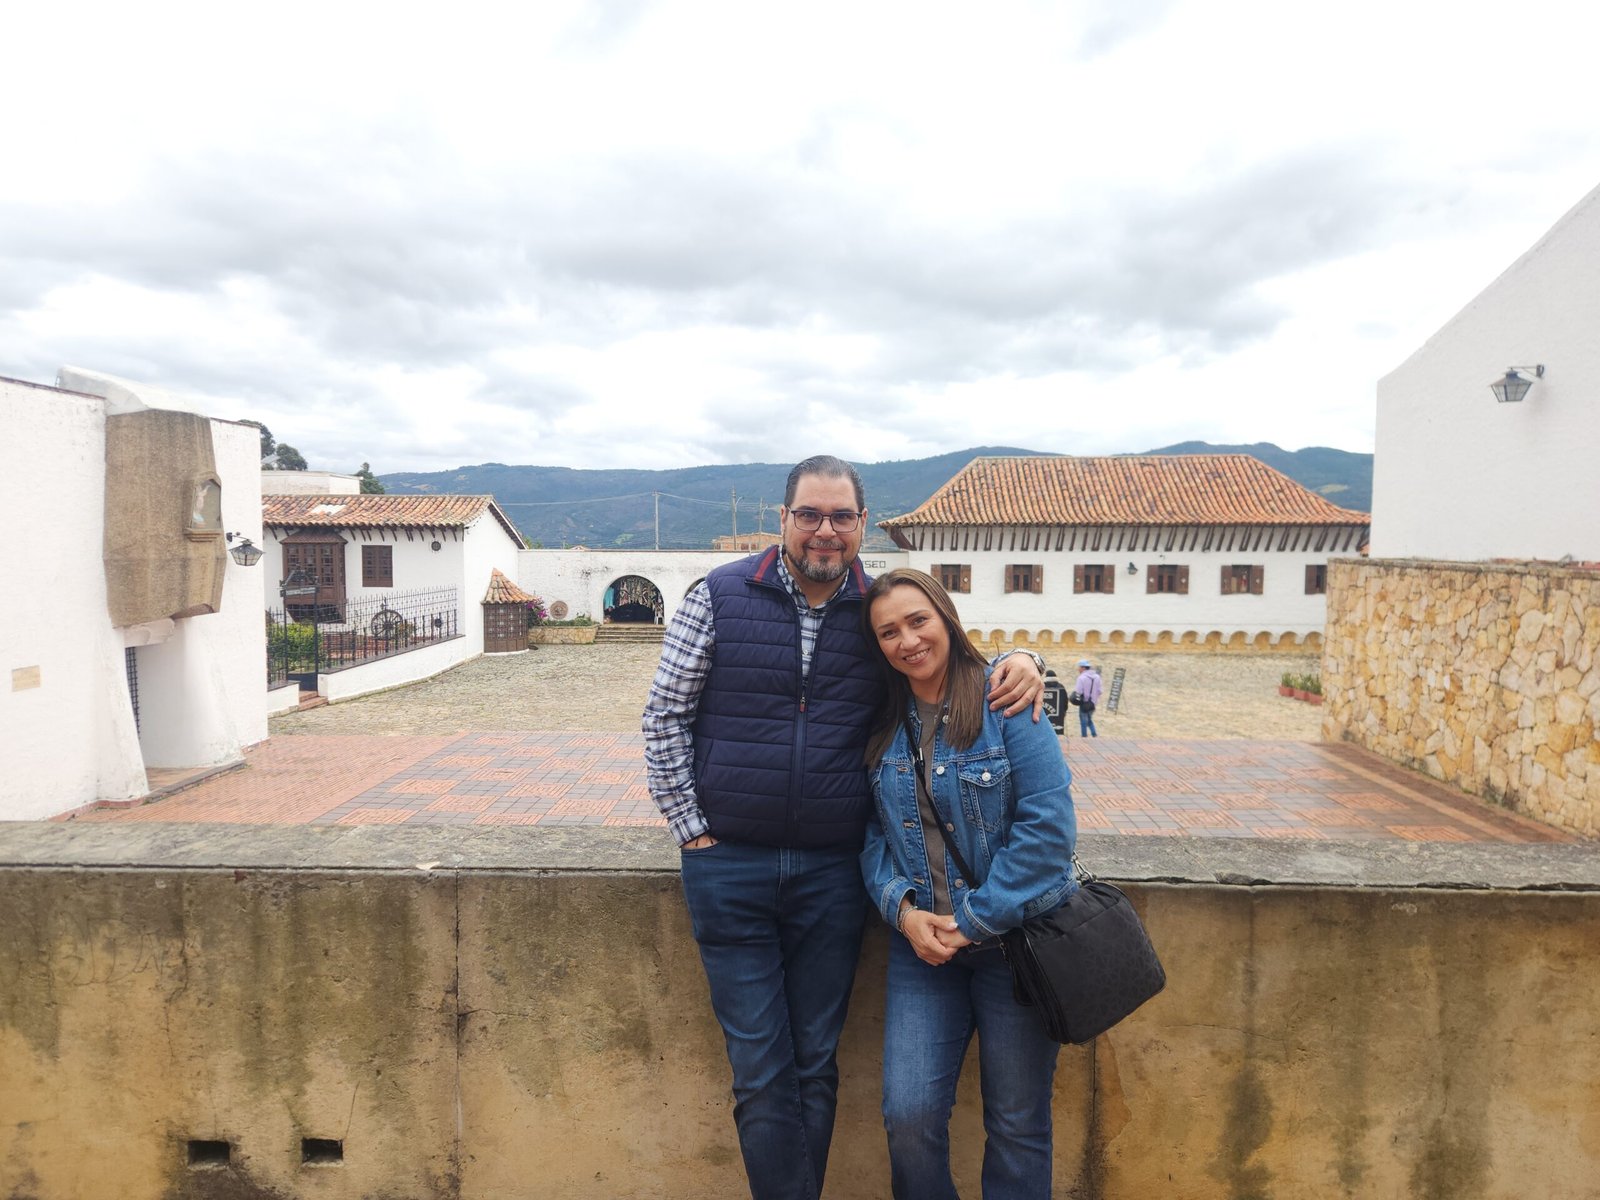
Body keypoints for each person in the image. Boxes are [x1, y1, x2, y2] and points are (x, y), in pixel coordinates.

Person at [641, 456, 1046, 1200]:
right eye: (809, 515)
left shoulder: (875, 611)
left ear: (862, 524)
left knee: (814, 1064)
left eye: (840, 517)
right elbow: (665, 714)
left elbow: (941, 665)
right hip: (729, 866)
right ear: (784, 519)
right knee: (760, 1071)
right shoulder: (719, 596)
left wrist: (1025, 658)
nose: (824, 530)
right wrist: (691, 829)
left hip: (833, 872)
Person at [859, 568, 1078, 1200]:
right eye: (889, 632)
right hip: (925, 952)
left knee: (1017, 1124)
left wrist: (974, 920)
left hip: (1016, 949)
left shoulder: (1004, 701)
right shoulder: (882, 721)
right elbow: (871, 836)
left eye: (918, 621)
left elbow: (1048, 831)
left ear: (946, 619)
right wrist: (903, 911)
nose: (908, 641)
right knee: (908, 1116)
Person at [1074, 659, 1103, 738]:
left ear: (1083, 668)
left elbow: (1078, 691)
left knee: (1083, 720)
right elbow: (1100, 691)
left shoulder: (1081, 678)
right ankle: (1094, 734)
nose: (1078, 669)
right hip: (1093, 703)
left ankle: (1084, 737)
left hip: (1084, 702)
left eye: (1079, 667)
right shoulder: (1097, 677)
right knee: (1089, 719)